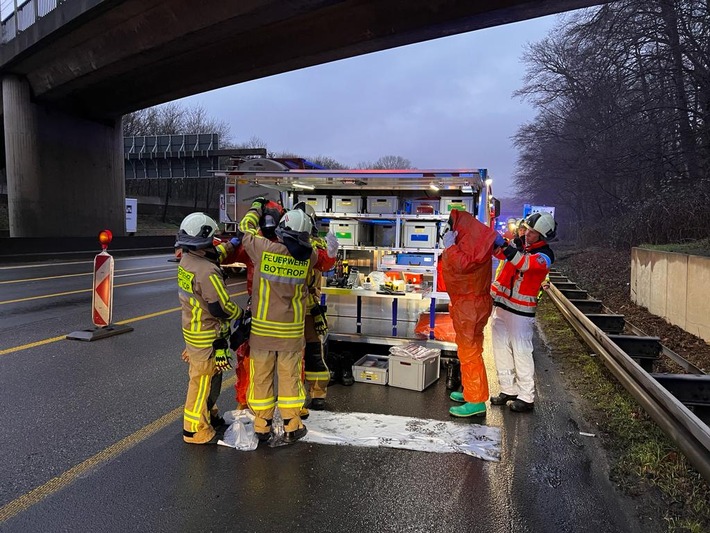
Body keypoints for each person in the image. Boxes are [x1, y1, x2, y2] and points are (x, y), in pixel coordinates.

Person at [238, 198, 335, 443]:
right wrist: (331, 251)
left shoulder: (262, 248)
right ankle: (292, 424)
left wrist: (256, 208)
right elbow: (321, 256)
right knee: (290, 378)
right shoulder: (308, 258)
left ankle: (261, 425)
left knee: (261, 378)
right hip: (291, 334)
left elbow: (245, 229)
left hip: (262, 333)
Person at [176, 212, 244, 444]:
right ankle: (194, 429)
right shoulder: (207, 272)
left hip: (193, 329)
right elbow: (220, 307)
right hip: (207, 332)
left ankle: (209, 413)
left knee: (211, 374)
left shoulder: (188, 259)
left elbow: (215, 254)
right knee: (202, 379)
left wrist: (233, 243)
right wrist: (241, 313)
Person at [490, 212, 556, 413]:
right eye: (526, 229)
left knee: (521, 351)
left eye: (532, 232)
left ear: (542, 236)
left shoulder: (545, 255)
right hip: (502, 306)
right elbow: (499, 254)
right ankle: (508, 389)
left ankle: (526, 396)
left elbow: (523, 264)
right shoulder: (520, 245)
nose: (527, 233)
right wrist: (495, 242)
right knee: (500, 348)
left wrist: (507, 246)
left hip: (521, 312)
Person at [222, 200, 285, 410]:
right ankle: (293, 408)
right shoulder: (295, 245)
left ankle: (247, 402)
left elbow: (229, 251)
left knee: (251, 357)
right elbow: (322, 261)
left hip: (259, 309)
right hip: (289, 312)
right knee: (291, 362)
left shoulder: (254, 243)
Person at [441, 209, 504, 417]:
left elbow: (462, 265)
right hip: (472, 303)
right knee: (471, 350)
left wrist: (449, 247)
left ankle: (476, 401)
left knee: (469, 353)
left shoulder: (471, 243)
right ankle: (471, 391)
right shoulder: (477, 240)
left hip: (469, 305)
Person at [293, 201, 338, 412]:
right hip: (295, 308)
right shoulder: (289, 244)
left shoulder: (314, 245)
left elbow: (325, 264)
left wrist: (332, 253)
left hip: (304, 309)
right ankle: (300, 395)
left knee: (309, 352)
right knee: (297, 355)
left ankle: (316, 393)